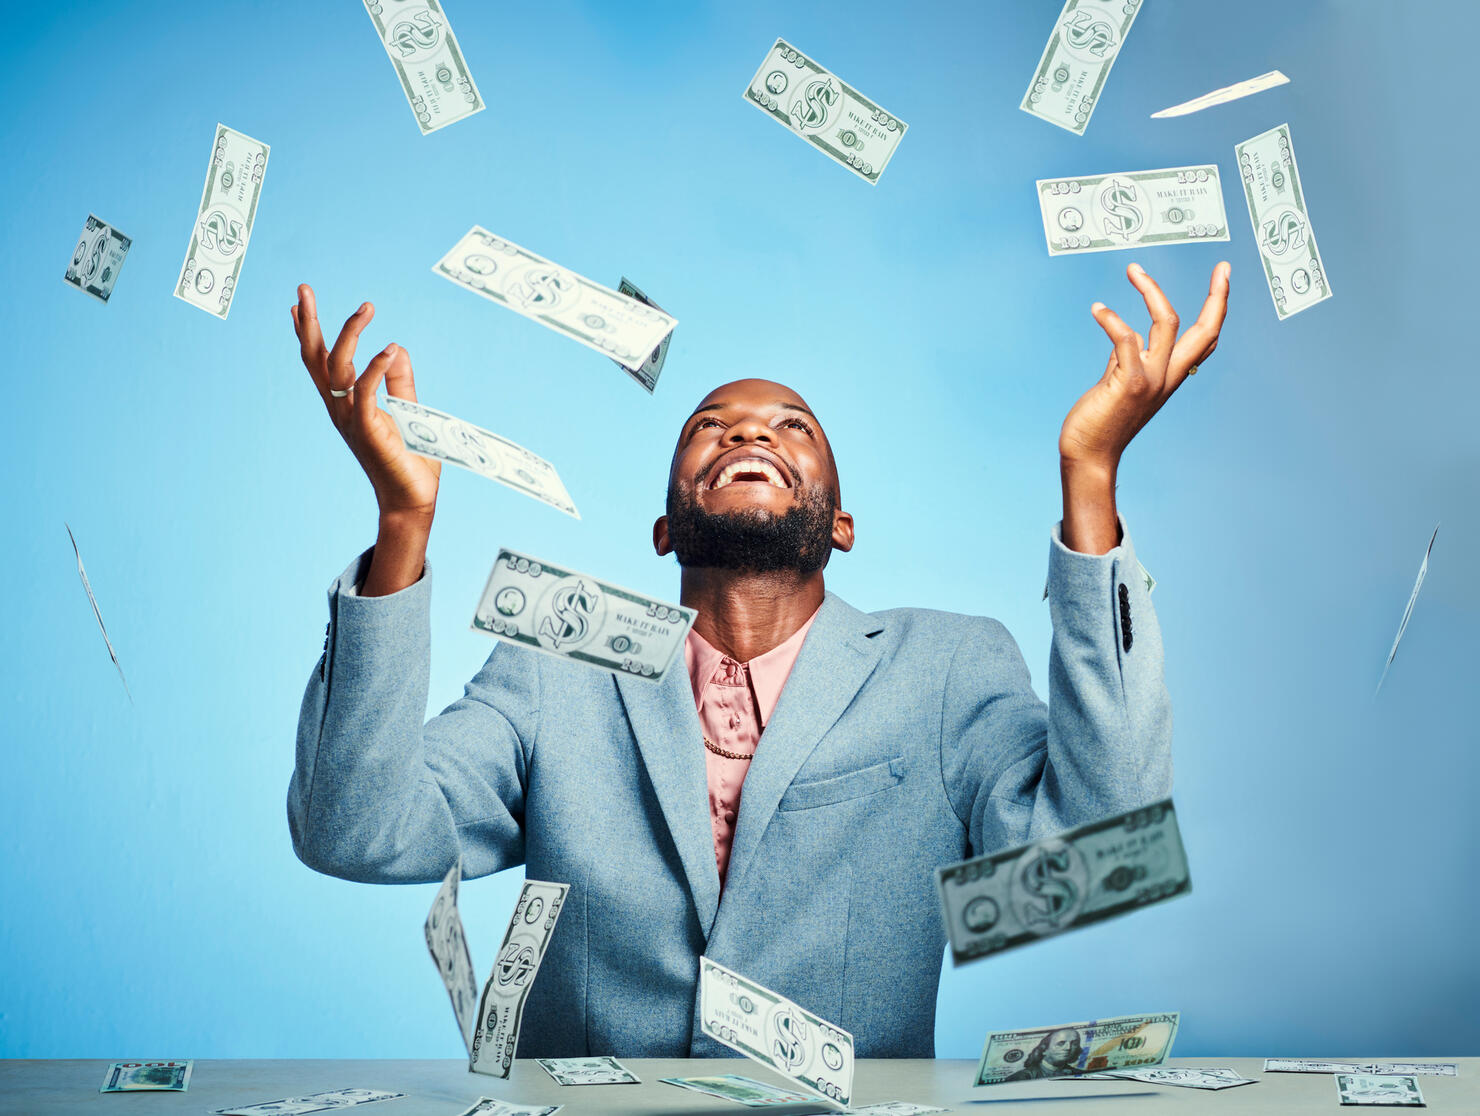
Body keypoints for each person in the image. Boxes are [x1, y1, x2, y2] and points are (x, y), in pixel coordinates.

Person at [286, 261, 1230, 1058]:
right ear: (662, 528)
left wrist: (1092, 474)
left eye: (792, 427)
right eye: (709, 424)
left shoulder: (945, 665)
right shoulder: (555, 666)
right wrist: (403, 522)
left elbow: (1106, 855)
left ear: (843, 523)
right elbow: (355, 834)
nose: (747, 433)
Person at [1006, 1028, 1085, 1080]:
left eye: (1074, 1043)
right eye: (1061, 1043)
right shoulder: (1021, 1077)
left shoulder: (1081, 1074)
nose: (1068, 1048)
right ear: (1044, 1049)